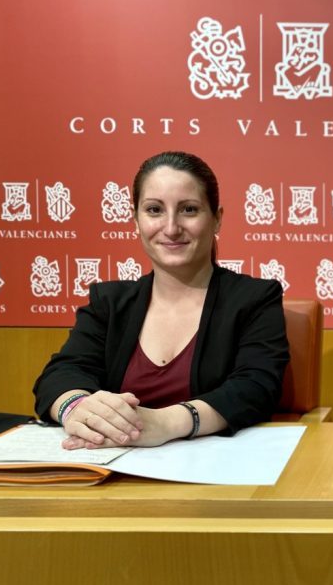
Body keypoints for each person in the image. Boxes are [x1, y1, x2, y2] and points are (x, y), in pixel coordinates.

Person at [34, 151, 289, 449]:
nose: (170, 228)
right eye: (154, 210)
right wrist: (78, 407)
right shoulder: (109, 301)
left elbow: (255, 387)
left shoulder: (254, 298)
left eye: (189, 210)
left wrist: (167, 423)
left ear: (217, 219)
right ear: (136, 221)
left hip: (214, 476)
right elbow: (61, 374)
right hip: (113, 475)